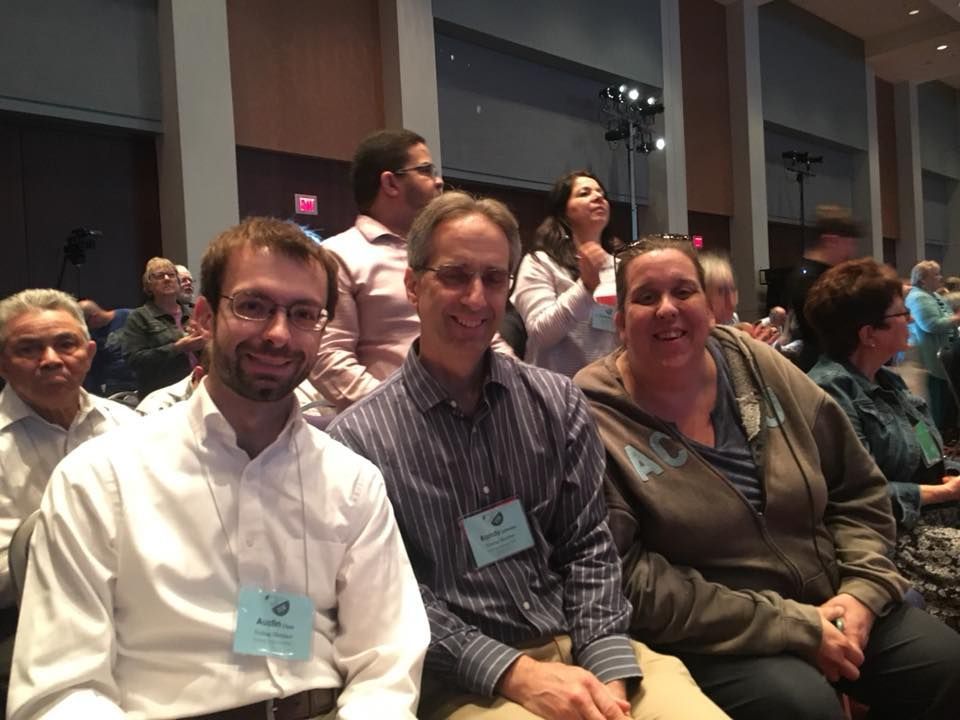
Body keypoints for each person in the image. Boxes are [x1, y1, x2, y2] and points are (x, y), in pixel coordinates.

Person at [9, 218, 429, 719]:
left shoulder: (352, 480)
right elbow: (61, 690)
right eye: (253, 307)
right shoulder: (99, 478)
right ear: (204, 318)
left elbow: (387, 660)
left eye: (303, 314)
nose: (278, 334)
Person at [329, 193, 728, 720]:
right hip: (468, 680)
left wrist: (606, 670)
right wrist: (516, 673)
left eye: (495, 279)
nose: (476, 298)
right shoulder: (357, 441)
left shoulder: (557, 401)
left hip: (586, 646)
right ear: (412, 283)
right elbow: (393, 600)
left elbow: (589, 545)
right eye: (455, 275)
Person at [574, 235, 960, 719]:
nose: (667, 309)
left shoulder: (754, 363)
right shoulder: (593, 409)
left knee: (946, 664)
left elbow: (857, 488)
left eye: (683, 292)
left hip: (834, 593)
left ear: (709, 306)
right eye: (646, 298)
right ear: (620, 323)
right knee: (802, 706)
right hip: (720, 629)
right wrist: (791, 625)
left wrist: (862, 589)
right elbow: (629, 575)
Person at [0, 289, 137, 713]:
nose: (51, 359)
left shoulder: (132, 430)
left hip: (133, 625)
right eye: (28, 348)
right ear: (2, 361)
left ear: (90, 352)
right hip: (21, 632)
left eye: (66, 344)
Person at [806, 258, 960, 630]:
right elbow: (853, 497)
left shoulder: (891, 384)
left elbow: (931, 459)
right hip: (886, 537)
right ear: (868, 333)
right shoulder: (830, 392)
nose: (909, 321)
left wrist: (952, 476)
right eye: (900, 314)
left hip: (930, 514)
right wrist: (940, 493)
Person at [309, 128, 444, 411]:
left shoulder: (441, 252)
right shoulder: (339, 255)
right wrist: (402, 412)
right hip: (394, 428)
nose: (439, 181)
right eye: (425, 170)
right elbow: (329, 359)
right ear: (390, 183)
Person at [510, 170, 620, 376]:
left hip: (609, 392)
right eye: (584, 193)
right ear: (564, 211)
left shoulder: (621, 267)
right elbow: (540, 334)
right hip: (553, 393)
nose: (598, 197)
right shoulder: (540, 263)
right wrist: (585, 288)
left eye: (601, 194)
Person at [785, 205, 861, 371]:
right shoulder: (809, 279)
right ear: (831, 240)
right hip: (823, 369)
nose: (852, 251)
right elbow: (829, 331)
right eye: (849, 244)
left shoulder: (826, 274)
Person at [121, 257, 206, 398]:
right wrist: (178, 347)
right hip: (162, 395)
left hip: (199, 389)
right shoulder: (139, 317)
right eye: (159, 276)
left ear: (178, 282)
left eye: (171, 275)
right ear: (149, 285)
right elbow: (134, 361)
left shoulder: (194, 312)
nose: (167, 279)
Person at [905, 260, 960, 434]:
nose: (940, 277)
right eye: (935, 274)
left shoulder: (933, 295)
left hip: (940, 355)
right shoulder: (918, 297)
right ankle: (937, 435)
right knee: (935, 402)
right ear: (922, 280)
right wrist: (957, 319)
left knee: (944, 399)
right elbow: (930, 324)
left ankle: (943, 433)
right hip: (928, 357)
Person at [77, 298, 137, 395]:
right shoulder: (92, 336)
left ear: (94, 317)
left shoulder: (130, 316)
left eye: (86, 324)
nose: (87, 329)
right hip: (115, 384)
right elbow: (95, 366)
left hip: (140, 376)